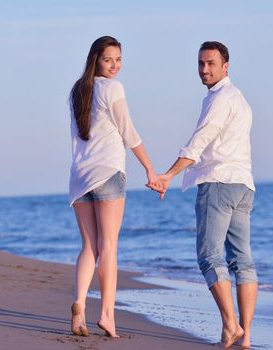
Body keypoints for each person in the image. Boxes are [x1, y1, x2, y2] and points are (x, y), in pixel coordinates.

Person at [149, 41, 257, 348]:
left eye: (210, 63)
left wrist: (168, 175)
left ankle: (230, 325)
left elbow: (199, 141)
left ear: (226, 66)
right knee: (243, 261)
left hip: (219, 183)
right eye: (200, 63)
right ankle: (245, 337)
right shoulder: (240, 99)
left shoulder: (220, 99)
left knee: (210, 256)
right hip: (243, 185)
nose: (204, 69)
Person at [68, 36, 158, 338]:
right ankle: (107, 315)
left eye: (119, 60)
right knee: (108, 247)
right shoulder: (112, 88)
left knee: (89, 247)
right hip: (108, 173)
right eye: (109, 60)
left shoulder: (78, 90)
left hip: (80, 177)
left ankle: (79, 304)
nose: (115, 66)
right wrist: (149, 168)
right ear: (96, 59)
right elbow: (128, 132)